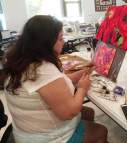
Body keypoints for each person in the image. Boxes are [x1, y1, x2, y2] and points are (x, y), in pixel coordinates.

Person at [3, 15, 108, 143]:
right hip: (46, 139)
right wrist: (82, 88)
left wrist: (83, 72)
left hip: (26, 131)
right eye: (60, 38)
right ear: (44, 42)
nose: (63, 42)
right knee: (101, 130)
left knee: (88, 112)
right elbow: (69, 112)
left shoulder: (24, 60)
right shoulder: (43, 70)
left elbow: (55, 82)